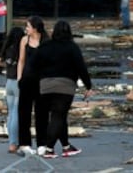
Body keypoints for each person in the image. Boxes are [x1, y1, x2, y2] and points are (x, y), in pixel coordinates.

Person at [29, 20, 92, 158]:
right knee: (58, 115)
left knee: (58, 117)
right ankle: (49, 148)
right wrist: (88, 85)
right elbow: (81, 67)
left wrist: (38, 80)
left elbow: (33, 64)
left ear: (54, 32)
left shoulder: (45, 46)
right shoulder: (72, 47)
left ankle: (66, 146)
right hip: (65, 85)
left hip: (45, 85)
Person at [17, 15, 49, 155]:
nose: (26, 29)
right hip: (27, 80)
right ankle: (24, 143)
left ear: (35, 28)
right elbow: (21, 60)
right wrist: (19, 77)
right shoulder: (25, 40)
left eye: (28, 26)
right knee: (24, 112)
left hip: (42, 81)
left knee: (41, 112)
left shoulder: (47, 41)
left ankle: (42, 143)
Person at [0, 26, 25, 154]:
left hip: (9, 82)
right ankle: (14, 143)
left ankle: (11, 141)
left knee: (10, 114)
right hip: (18, 83)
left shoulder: (8, 49)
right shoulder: (20, 49)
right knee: (16, 113)